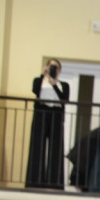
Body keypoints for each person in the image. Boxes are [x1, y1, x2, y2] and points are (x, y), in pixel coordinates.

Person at [26, 58, 69, 190]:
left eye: (55, 67)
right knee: (37, 145)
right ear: (46, 67)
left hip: (56, 114)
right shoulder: (39, 81)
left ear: (59, 70)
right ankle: (35, 180)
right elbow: (35, 90)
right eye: (51, 66)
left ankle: (54, 182)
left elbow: (64, 98)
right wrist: (43, 76)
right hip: (41, 112)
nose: (52, 69)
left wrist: (54, 83)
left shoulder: (64, 85)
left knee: (56, 147)